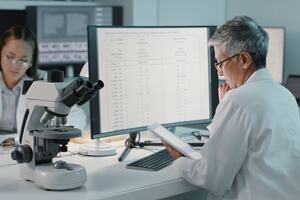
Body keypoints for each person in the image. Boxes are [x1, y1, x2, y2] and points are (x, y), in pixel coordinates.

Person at [164, 16, 300, 200]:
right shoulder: (286, 95)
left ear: (244, 59)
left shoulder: (238, 101)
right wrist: (224, 109)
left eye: (220, 63)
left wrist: (179, 159)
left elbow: (212, 178)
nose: (220, 73)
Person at [0, 25, 86, 134]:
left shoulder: (44, 81)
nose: (15, 65)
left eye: (24, 60)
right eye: (10, 57)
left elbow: (77, 115)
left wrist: (56, 130)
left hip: (27, 144)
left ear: (32, 61)